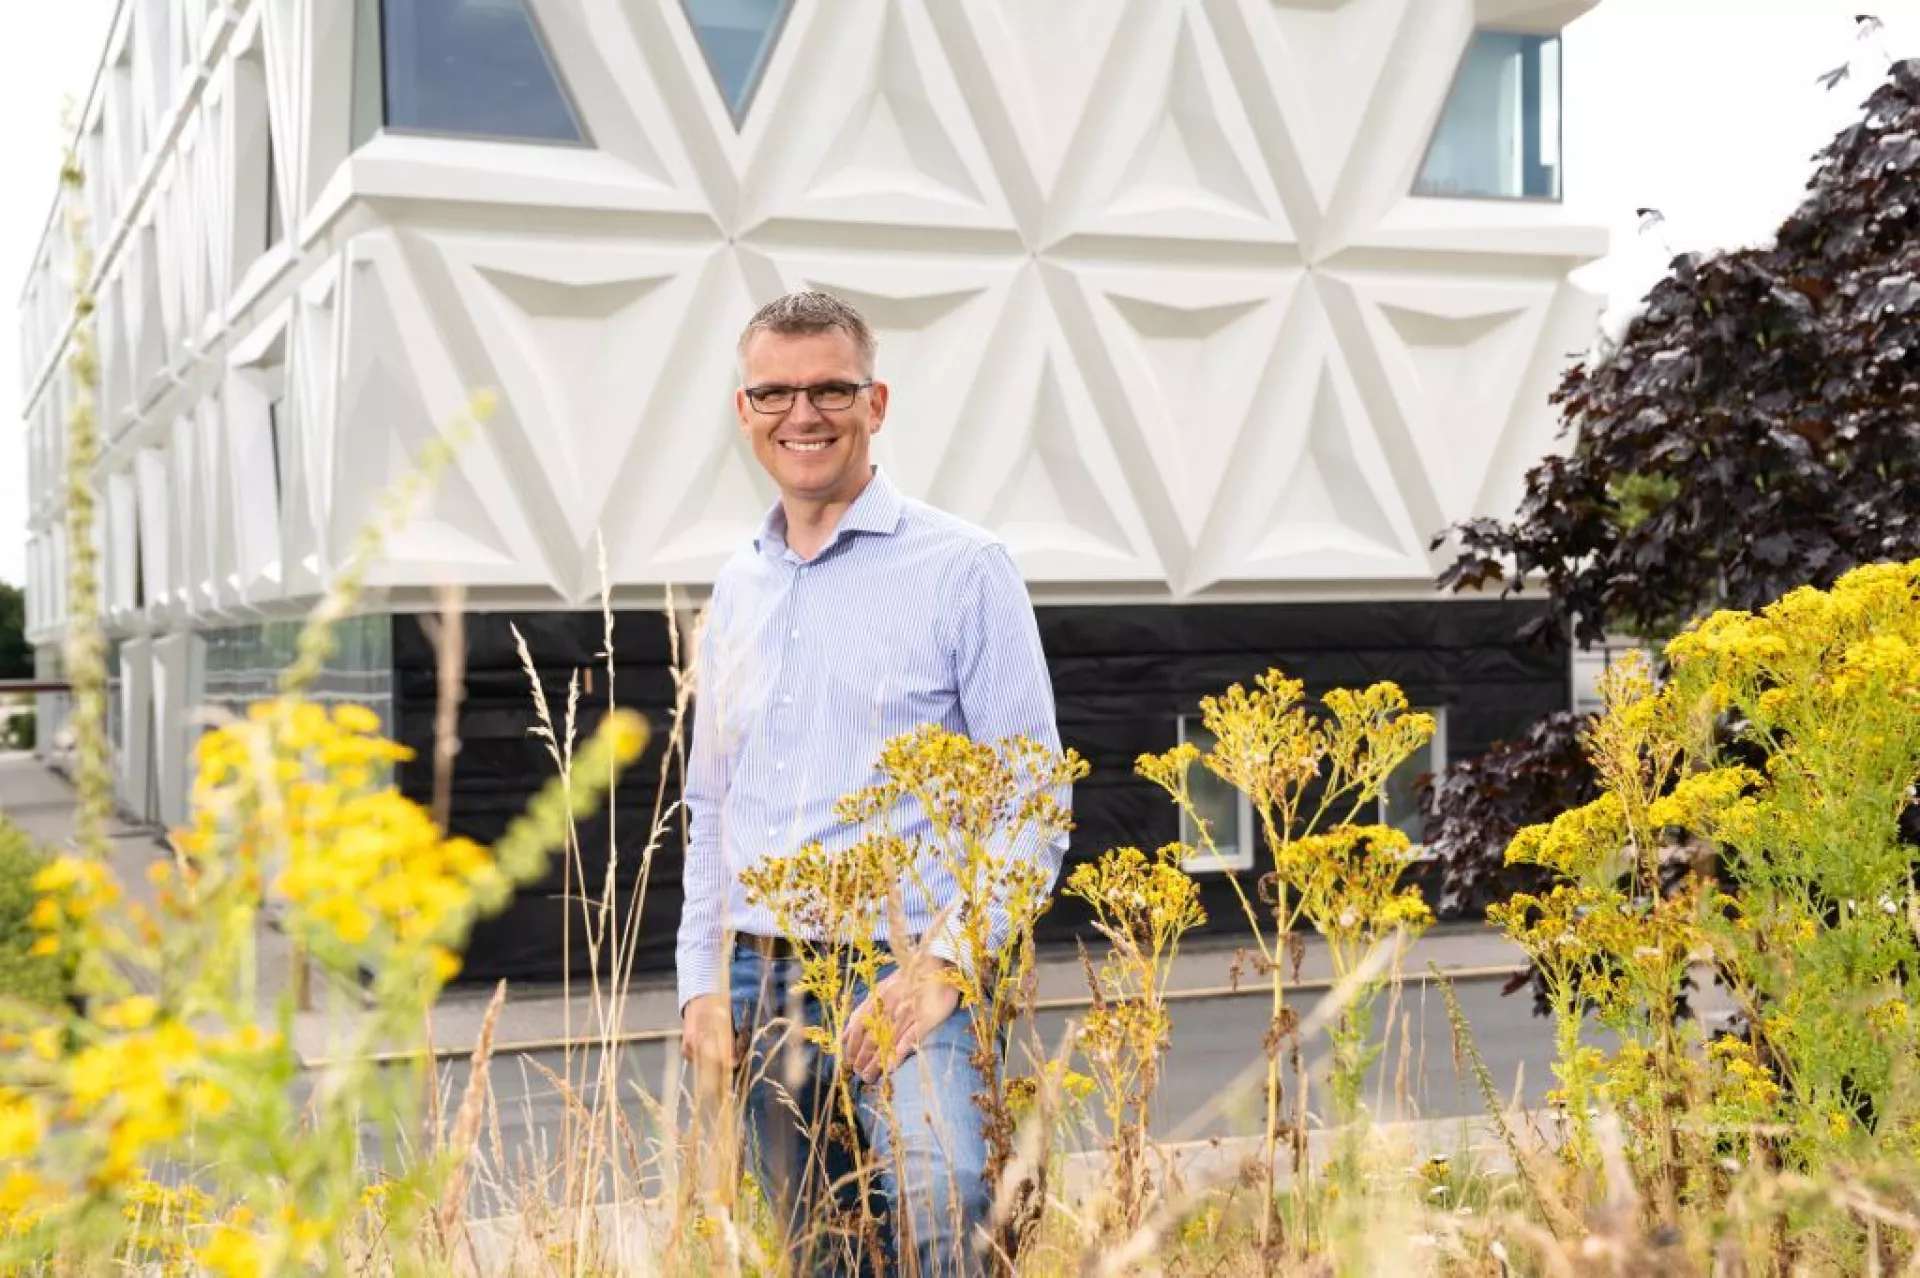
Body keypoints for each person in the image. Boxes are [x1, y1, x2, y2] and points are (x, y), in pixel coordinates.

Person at [675, 291, 1068, 1277]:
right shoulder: (736, 586)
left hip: (908, 969)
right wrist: (699, 984)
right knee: (819, 1245)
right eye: (774, 391)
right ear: (743, 410)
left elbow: (1033, 801)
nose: (800, 413)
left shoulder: (967, 568)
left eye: (829, 390)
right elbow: (711, 806)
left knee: (951, 1209)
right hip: (760, 976)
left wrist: (942, 967)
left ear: (876, 401)